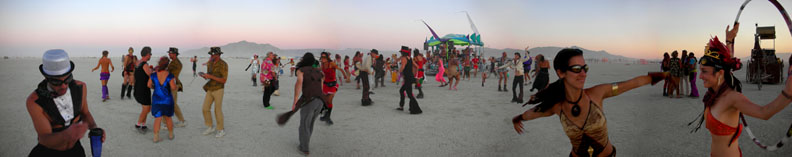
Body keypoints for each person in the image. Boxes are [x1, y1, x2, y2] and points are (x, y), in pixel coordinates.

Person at [512, 48, 669, 157]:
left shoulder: (598, 93)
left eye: (585, 68)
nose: (583, 73)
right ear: (561, 73)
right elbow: (531, 114)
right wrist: (518, 118)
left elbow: (633, 83)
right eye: (576, 68)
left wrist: (663, 75)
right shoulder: (557, 107)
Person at [687, 23, 792, 156]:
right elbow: (727, 64)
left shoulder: (732, 98)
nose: (700, 76)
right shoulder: (713, 94)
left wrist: (788, 93)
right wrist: (729, 40)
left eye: (705, 72)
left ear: (719, 74)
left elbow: (764, 112)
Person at [27, 49, 105, 156]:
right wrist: (65, 136)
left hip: (76, 150)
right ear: (46, 78)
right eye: (56, 82)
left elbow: (85, 113)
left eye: (68, 79)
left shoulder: (80, 88)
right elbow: (44, 139)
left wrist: (94, 128)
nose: (63, 86)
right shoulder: (35, 101)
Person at [290, 52, 325, 155]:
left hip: (309, 101)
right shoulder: (320, 72)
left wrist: (295, 100)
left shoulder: (301, 71)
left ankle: (304, 148)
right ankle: (305, 143)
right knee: (310, 124)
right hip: (320, 101)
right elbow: (321, 88)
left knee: (304, 124)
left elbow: (299, 83)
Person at [200, 47, 228, 138]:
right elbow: (209, 75)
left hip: (219, 89)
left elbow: (223, 80)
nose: (211, 56)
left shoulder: (223, 64)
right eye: (210, 54)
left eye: (213, 54)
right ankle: (210, 126)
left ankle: (221, 129)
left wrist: (210, 76)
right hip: (210, 88)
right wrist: (205, 76)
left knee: (217, 110)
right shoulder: (210, 63)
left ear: (218, 55)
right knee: (205, 108)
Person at [148, 56, 177, 143]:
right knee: (168, 118)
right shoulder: (170, 75)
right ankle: (171, 134)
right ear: (167, 65)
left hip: (157, 99)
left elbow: (149, 85)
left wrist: (156, 87)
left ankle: (156, 137)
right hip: (167, 99)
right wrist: (176, 86)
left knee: (158, 118)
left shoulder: (153, 75)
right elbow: (173, 87)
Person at [319, 52, 349, 125]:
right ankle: (325, 114)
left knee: (329, 101)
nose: (323, 59)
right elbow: (319, 70)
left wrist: (345, 76)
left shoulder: (331, 63)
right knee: (325, 101)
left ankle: (328, 117)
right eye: (322, 57)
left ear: (327, 58)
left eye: (324, 57)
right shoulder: (322, 65)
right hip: (325, 84)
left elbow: (340, 69)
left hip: (332, 85)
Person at [133, 47, 154, 134]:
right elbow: (150, 74)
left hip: (138, 88)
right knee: (147, 108)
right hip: (143, 89)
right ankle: (138, 124)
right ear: (147, 54)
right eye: (150, 54)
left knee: (146, 108)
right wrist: (154, 71)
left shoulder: (138, 62)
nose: (151, 56)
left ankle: (143, 124)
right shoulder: (145, 64)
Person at [397, 46, 422, 114]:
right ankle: (401, 106)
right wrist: (413, 74)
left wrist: (398, 73)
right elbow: (417, 66)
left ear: (402, 53)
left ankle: (415, 109)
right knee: (402, 91)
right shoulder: (410, 58)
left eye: (401, 52)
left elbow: (402, 67)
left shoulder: (403, 58)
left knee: (409, 94)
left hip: (408, 78)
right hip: (410, 77)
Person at [166, 48, 187, 127]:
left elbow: (172, 75)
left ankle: (166, 123)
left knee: (168, 103)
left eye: (170, 53)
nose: (169, 55)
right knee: (174, 104)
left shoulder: (177, 63)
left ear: (174, 54)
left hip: (173, 84)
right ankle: (182, 120)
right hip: (174, 84)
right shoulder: (173, 62)